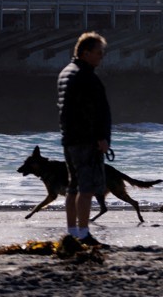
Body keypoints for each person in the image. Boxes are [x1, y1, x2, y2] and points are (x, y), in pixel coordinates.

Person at [57, 31, 112, 247]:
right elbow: (93, 112)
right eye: (98, 52)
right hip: (85, 140)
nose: (101, 57)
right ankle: (83, 233)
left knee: (73, 187)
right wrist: (101, 137)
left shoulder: (65, 73)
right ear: (85, 52)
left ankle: (72, 231)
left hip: (69, 139)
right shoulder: (85, 76)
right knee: (86, 189)